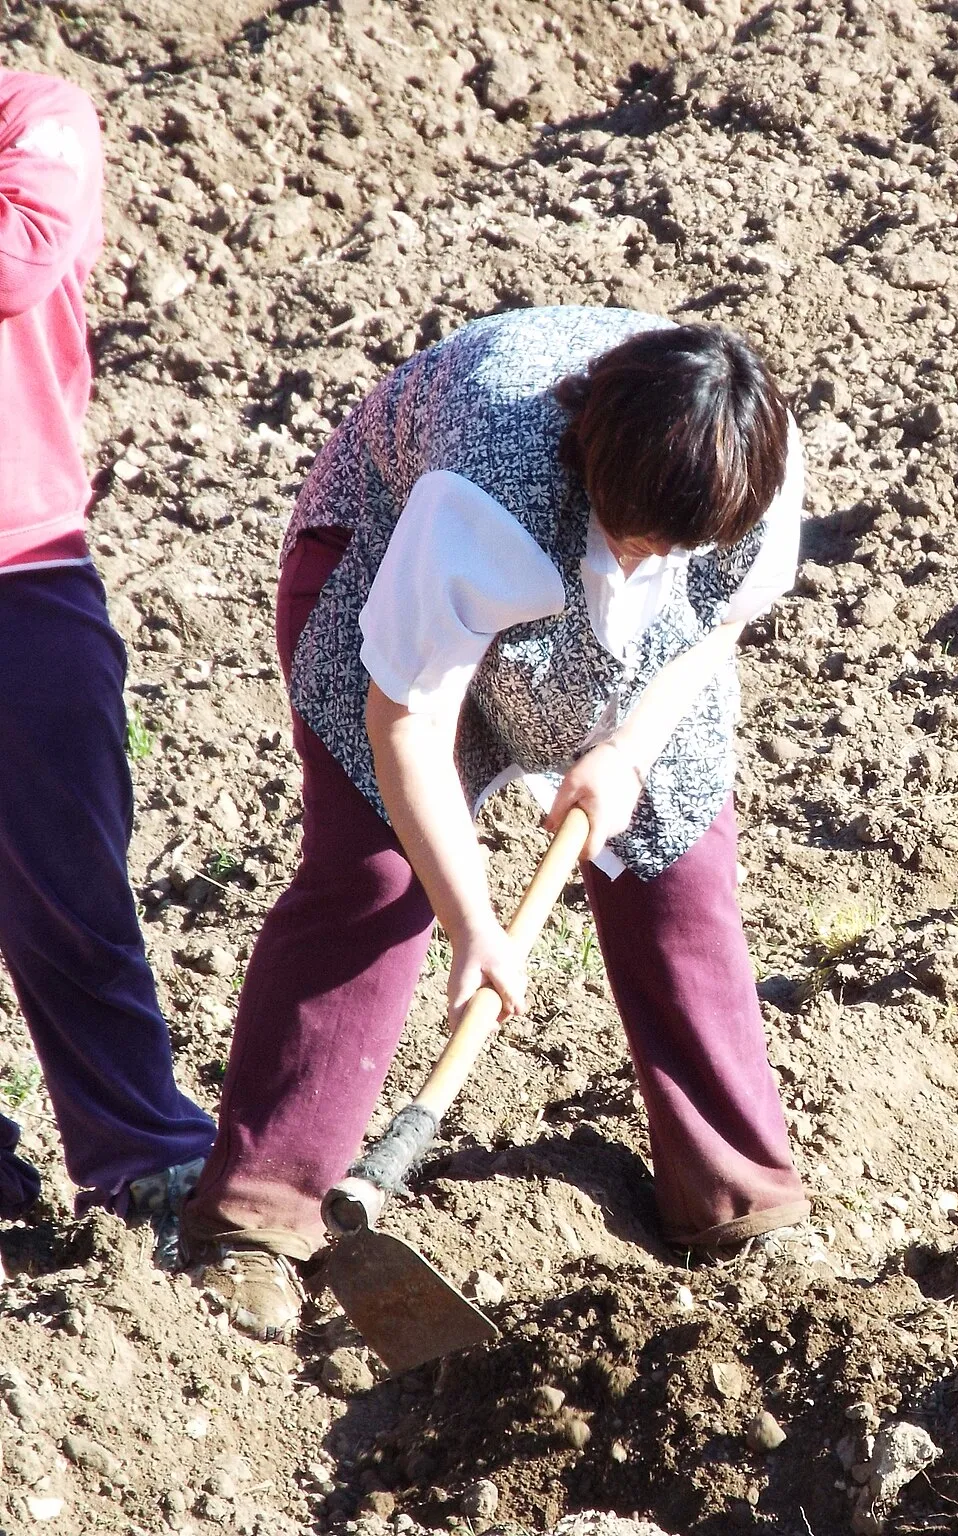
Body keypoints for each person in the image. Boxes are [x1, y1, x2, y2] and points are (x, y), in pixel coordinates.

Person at [182, 306, 812, 1340]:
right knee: (376, 876)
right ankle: (257, 1220)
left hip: (634, 645)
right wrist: (472, 920)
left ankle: (733, 1196)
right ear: (592, 471)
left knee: (677, 860)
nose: (656, 559)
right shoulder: (484, 493)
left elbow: (718, 626)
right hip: (384, 563)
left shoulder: (748, 477)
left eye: (679, 547)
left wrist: (623, 749)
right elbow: (409, 723)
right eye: (637, 536)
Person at [0, 68, 216, 1233]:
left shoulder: (34, 113)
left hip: (19, 565)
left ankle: (145, 1150)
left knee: (67, 887)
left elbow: (21, 256)